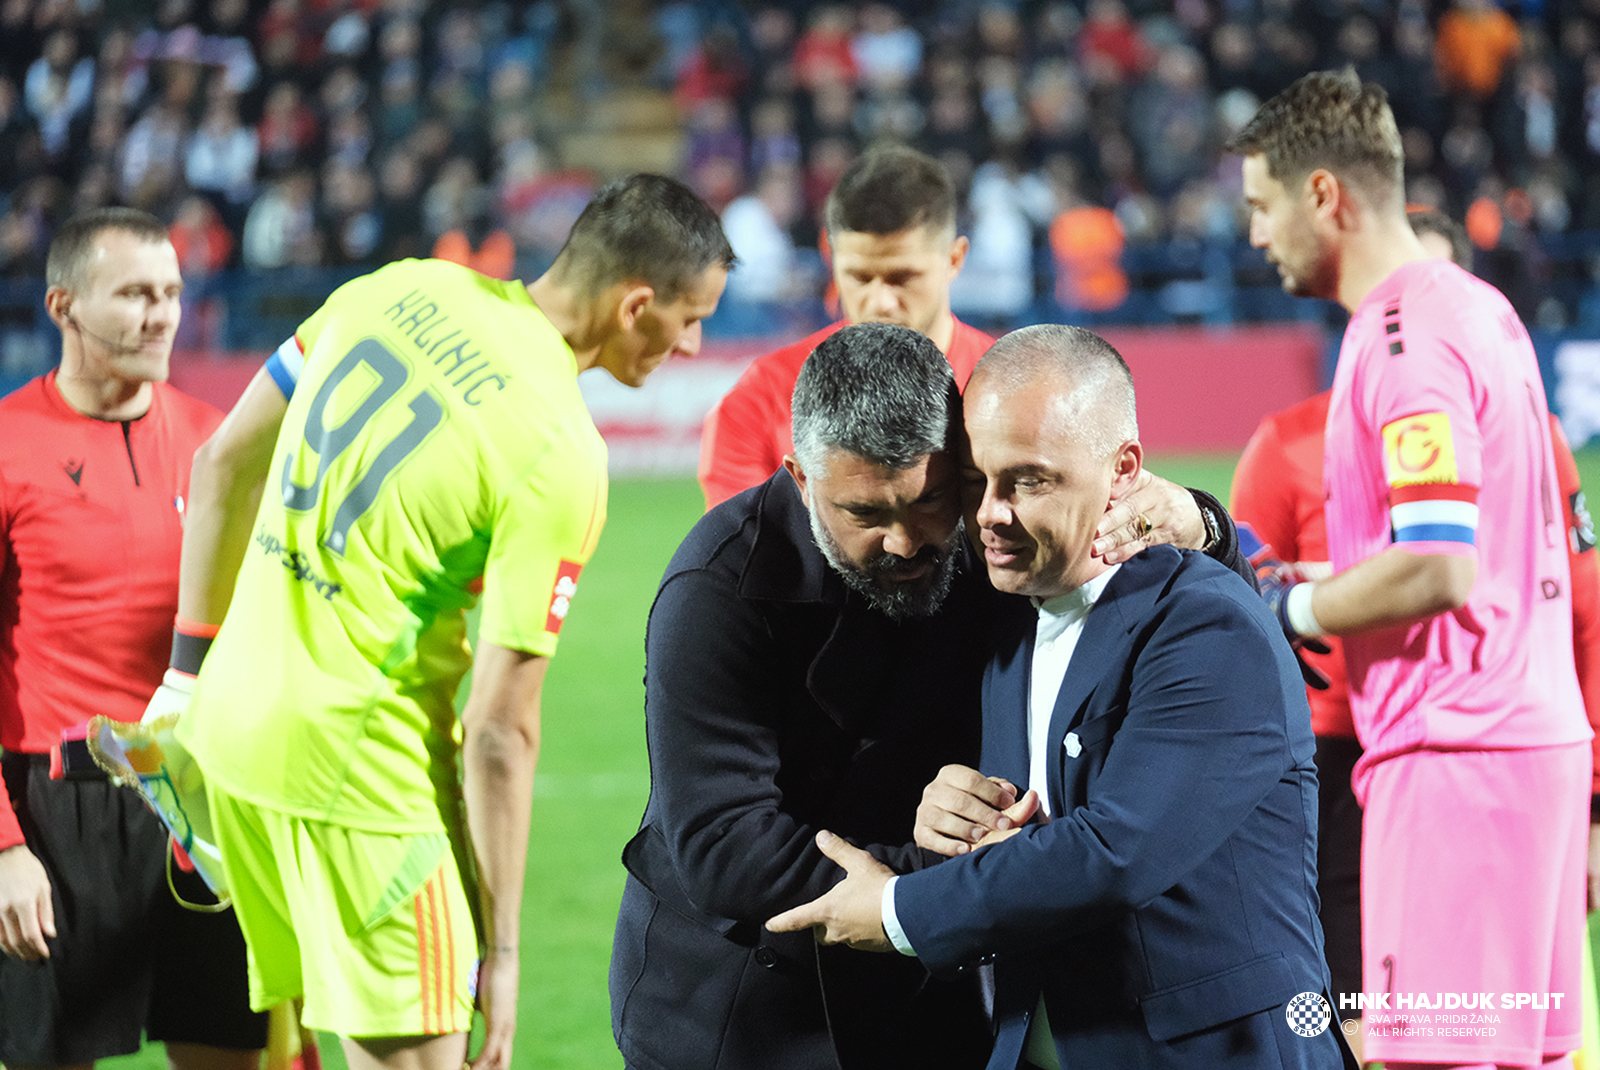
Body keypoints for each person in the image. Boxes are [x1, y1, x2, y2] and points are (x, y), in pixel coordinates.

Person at [158, 174, 734, 1070]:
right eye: (690, 318)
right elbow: (501, 729)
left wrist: (184, 675)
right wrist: (502, 953)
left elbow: (223, 459)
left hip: (229, 739)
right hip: (363, 786)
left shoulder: (398, 287)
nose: (694, 345)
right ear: (635, 305)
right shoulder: (557, 448)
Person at [611, 321, 1256, 1070]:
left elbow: (1205, 639)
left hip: (933, 991)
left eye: (930, 500)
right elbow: (724, 847)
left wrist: (1207, 528)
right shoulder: (718, 588)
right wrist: (946, 883)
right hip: (736, 1013)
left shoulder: (989, 544)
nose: (906, 540)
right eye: (864, 514)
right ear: (799, 478)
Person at [767, 324, 1347, 1070]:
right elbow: (1039, 829)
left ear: (1125, 468)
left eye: (1030, 481)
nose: (991, 512)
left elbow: (1113, 852)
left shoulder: (1205, 624)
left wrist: (896, 910)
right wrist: (953, 807)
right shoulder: (1010, 618)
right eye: (976, 480)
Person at [1229, 70, 1591, 1070]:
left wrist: (1290, 606)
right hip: (1530, 749)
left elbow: (1437, 567)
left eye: (1261, 205)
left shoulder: (1398, 337)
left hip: (1453, 762)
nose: (1254, 235)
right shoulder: (1477, 308)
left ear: (1321, 196)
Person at [0, 209, 267, 1068]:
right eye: (135, 294)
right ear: (63, 305)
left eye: (173, 294)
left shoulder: (219, 445)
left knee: (228, 1052)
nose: (162, 315)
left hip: (202, 804)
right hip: (54, 813)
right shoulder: (8, 446)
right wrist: (3, 849)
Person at [697, 144, 993, 509]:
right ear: (829, 253)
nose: (881, 301)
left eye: (902, 277)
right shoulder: (762, 398)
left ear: (954, 258)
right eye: (860, 277)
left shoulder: (1007, 389)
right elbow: (741, 557)